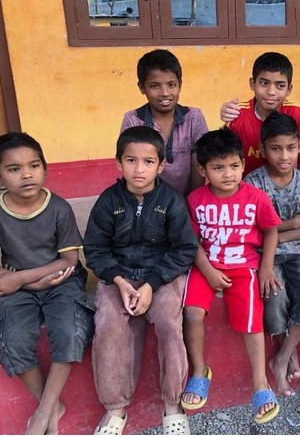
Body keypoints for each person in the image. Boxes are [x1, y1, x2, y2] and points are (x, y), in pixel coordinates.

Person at [0, 132, 94, 435]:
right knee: (11, 339)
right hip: (16, 286)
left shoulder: (59, 208)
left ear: (44, 168)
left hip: (61, 280)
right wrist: (23, 283)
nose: (26, 174)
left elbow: (69, 260)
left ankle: (42, 414)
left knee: (70, 329)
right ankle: (51, 406)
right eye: (14, 169)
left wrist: (22, 279)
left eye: (34, 166)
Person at [83, 126, 198, 435]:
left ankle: (172, 404)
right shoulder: (108, 201)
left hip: (161, 277)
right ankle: (115, 408)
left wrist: (151, 285)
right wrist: (119, 282)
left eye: (148, 161)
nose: (139, 169)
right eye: (131, 160)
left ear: (161, 166)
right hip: (118, 276)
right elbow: (94, 249)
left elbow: (184, 249)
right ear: (118, 163)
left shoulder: (171, 201)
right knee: (108, 325)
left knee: (169, 323)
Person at [181, 127, 283, 424]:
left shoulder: (256, 197)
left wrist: (266, 267)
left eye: (234, 166)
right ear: (202, 170)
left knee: (251, 322)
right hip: (206, 266)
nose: (228, 174)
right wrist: (208, 271)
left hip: (244, 268)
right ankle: (199, 372)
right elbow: (192, 241)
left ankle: (260, 384)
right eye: (218, 167)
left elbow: (271, 231)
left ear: (243, 164)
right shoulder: (196, 200)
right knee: (191, 313)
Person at [244, 112, 300, 397]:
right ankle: (288, 354)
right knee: (274, 297)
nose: (284, 156)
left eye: (290, 148)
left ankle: (282, 357)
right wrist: (291, 223)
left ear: (299, 146)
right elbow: (253, 229)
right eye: (276, 148)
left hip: (297, 253)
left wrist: (276, 235)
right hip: (266, 255)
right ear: (262, 149)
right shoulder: (253, 183)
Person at [120, 49, 209, 196]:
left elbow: (199, 166)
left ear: (180, 84)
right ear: (142, 87)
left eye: (171, 85)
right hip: (147, 201)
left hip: (187, 200)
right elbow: (131, 168)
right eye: (155, 86)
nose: (165, 93)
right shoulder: (133, 120)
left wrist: (190, 203)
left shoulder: (194, 117)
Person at [218, 51, 300, 176]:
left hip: (285, 185)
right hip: (246, 184)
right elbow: (227, 161)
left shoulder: (297, 114)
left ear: (289, 89)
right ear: (252, 84)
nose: (271, 92)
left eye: (280, 86)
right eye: (264, 83)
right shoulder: (237, 114)